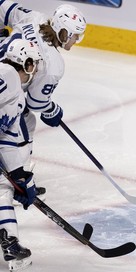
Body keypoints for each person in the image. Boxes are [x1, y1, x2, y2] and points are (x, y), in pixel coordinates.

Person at [0, 1, 87, 195]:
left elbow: (2, 6)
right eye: (75, 36)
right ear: (63, 33)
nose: (77, 40)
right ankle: (16, 184)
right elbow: (35, 102)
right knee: (23, 122)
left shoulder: (34, 17)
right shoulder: (53, 65)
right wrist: (52, 110)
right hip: (6, 92)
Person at [0, 38, 42, 272]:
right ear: (24, 64)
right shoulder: (6, 73)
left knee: (2, 187)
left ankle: (10, 240)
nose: (34, 70)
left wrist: (19, 176)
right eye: (32, 64)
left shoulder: (17, 99)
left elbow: (6, 139)